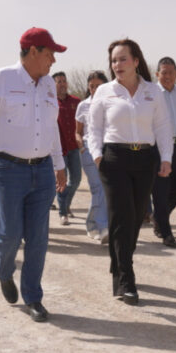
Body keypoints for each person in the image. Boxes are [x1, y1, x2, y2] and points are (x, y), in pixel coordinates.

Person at [0, 27, 68, 323]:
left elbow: (51, 127)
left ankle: (33, 297)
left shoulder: (49, 84)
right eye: (50, 54)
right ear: (34, 51)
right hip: (8, 170)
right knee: (10, 233)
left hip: (42, 171)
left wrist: (59, 163)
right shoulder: (1, 78)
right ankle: (3, 271)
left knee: (38, 237)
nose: (53, 61)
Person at [87, 38, 173, 305]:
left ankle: (118, 264)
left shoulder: (152, 92)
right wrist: (98, 156)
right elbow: (94, 129)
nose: (117, 65)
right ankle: (126, 277)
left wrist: (166, 158)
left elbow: (162, 127)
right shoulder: (104, 92)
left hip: (145, 159)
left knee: (137, 216)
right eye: (114, 60)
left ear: (136, 61)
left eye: (123, 59)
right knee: (122, 216)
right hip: (115, 159)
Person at [151, 57, 176, 248]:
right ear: (157, 74)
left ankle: (159, 217)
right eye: (163, 72)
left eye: (171, 72)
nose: (167, 76)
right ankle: (166, 233)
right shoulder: (150, 94)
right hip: (159, 148)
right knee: (160, 190)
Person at [75, 71, 110, 243]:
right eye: (92, 86)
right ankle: (103, 227)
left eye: (98, 85)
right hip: (89, 151)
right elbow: (78, 132)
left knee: (104, 189)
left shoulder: (111, 103)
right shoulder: (83, 106)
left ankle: (91, 223)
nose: (95, 89)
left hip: (107, 150)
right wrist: (81, 148)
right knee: (98, 188)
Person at [52, 71, 82, 225]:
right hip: (58, 150)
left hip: (74, 148)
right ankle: (63, 212)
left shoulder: (76, 102)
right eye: (59, 81)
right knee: (61, 181)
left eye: (64, 81)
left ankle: (66, 203)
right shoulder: (50, 102)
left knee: (76, 179)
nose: (63, 84)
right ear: (53, 84)